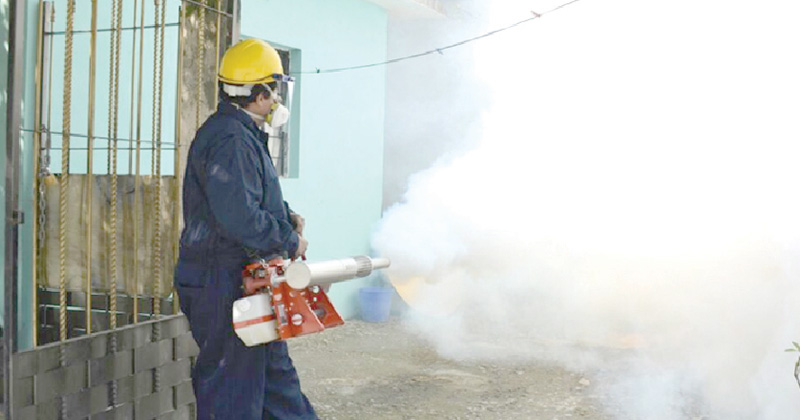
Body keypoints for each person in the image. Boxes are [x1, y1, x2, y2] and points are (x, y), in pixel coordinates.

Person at [174, 38, 317, 420]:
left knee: (276, 385)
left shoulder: (241, 134)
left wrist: (286, 216)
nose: (277, 100)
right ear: (259, 93)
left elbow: (248, 196)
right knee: (233, 392)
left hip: (243, 278)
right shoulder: (231, 139)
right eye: (274, 91)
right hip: (222, 281)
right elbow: (239, 218)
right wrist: (289, 240)